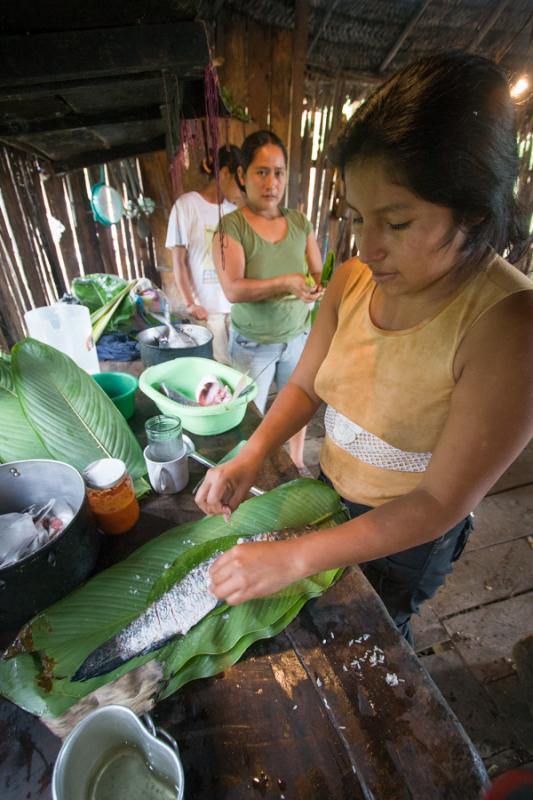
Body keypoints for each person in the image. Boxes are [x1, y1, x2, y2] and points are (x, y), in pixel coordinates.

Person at [197, 52, 533, 645]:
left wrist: (297, 558)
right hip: (331, 489)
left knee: (380, 632)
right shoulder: (353, 281)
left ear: (473, 212)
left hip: (410, 534)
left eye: (396, 224)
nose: (367, 247)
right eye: (356, 217)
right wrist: (252, 452)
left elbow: (437, 501)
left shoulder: (509, 325)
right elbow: (303, 386)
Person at [212, 130, 324, 471]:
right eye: (261, 172)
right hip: (252, 344)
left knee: (296, 407)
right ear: (243, 175)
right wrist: (286, 283)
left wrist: (314, 288)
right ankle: (254, 470)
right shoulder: (231, 227)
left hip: (296, 338)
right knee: (251, 417)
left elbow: (318, 273)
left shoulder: (299, 223)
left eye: (278, 172)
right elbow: (233, 289)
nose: (271, 182)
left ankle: (294, 459)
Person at [165, 144, 243, 364]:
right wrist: (191, 304)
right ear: (225, 174)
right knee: (220, 367)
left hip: (236, 307)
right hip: (207, 309)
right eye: (239, 182)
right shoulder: (187, 206)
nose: (242, 190)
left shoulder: (234, 212)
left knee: (240, 369)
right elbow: (178, 262)